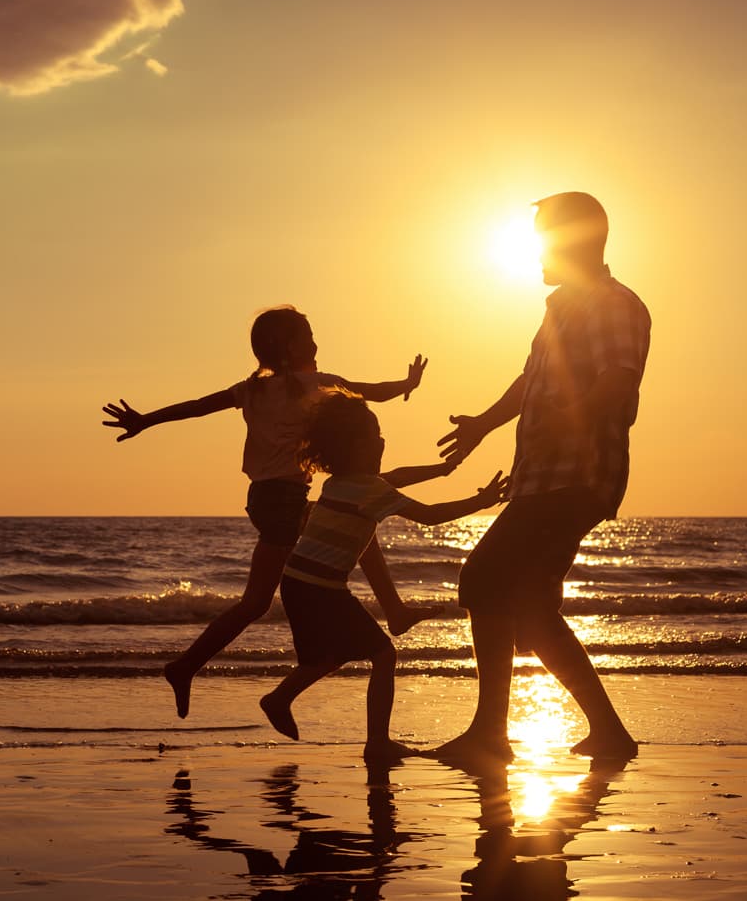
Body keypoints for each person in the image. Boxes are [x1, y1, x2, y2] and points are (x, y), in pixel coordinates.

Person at [101, 306, 441, 719]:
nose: (316, 343)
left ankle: (186, 665)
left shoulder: (252, 390)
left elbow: (194, 406)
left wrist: (146, 420)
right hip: (284, 502)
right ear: (288, 347)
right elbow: (368, 390)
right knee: (349, 522)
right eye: (309, 336)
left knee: (262, 597)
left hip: (262, 499)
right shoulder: (314, 383)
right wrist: (408, 383)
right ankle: (394, 610)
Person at [434, 191, 651, 763]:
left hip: (575, 477)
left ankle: (490, 733)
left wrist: (568, 415)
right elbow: (530, 380)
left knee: (482, 579)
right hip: (544, 478)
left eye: (543, 241)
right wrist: (483, 422)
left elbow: (619, 382)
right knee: (531, 609)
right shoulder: (561, 309)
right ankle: (608, 732)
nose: (535, 255)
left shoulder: (613, 304)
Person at [258, 389, 509, 762]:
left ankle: (279, 698)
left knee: (328, 657)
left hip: (298, 583)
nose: (383, 441)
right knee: (383, 655)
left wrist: (442, 469)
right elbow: (430, 515)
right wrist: (480, 502)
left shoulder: (341, 482)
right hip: (322, 589)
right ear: (359, 447)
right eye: (377, 436)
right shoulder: (371, 490)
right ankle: (377, 742)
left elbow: (399, 476)